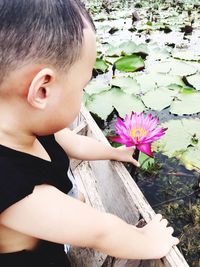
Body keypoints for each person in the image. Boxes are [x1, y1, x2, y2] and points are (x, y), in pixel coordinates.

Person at [0, 0, 179, 266]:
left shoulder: (26, 126)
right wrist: (146, 241)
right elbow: (100, 231)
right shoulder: (10, 184)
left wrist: (112, 151)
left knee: (77, 199)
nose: (83, 93)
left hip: (52, 230)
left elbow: (76, 144)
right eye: (83, 85)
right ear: (42, 90)